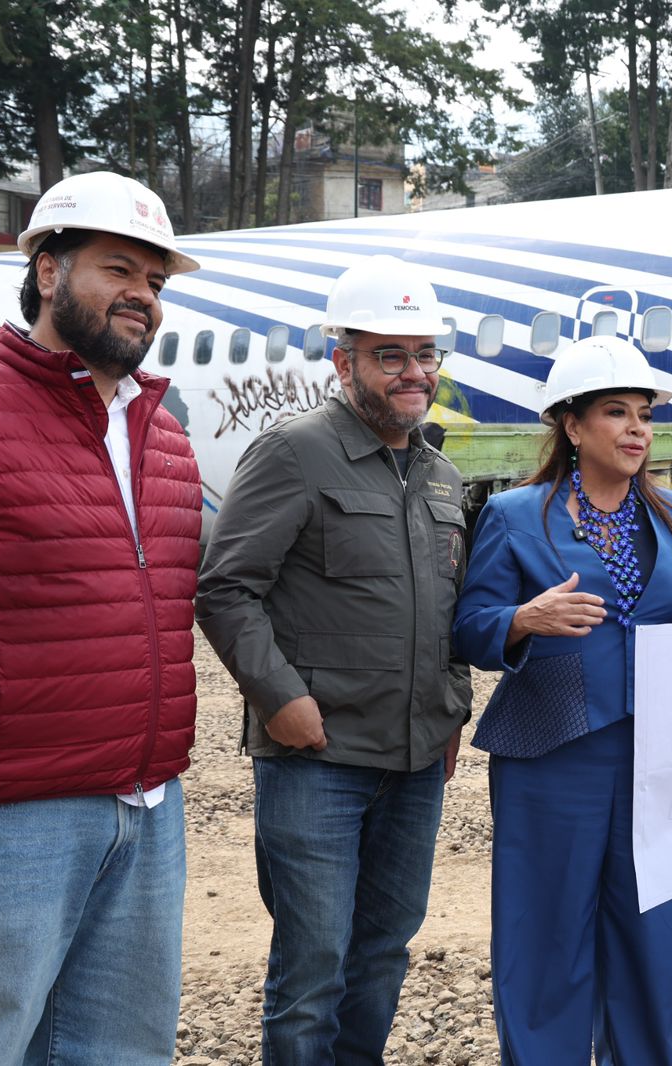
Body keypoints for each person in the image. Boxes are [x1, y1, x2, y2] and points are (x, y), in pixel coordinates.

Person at [0, 171, 202, 1062]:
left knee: (123, 1053)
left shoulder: (161, 434)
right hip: (0, 818)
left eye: (156, 282)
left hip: (145, 804)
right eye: (118, 270)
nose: (142, 296)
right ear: (49, 272)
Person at [195, 256, 473, 1064]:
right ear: (342, 359)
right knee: (312, 966)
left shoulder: (440, 473)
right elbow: (226, 589)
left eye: (425, 354)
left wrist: (449, 703)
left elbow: (449, 605)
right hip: (319, 759)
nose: (413, 371)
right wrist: (280, 699)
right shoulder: (293, 453)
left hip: (417, 761)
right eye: (389, 355)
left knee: (384, 953)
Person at [452, 335, 672, 1063]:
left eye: (645, 414)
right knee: (545, 937)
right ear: (572, 425)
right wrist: (520, 621)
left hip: (656, 758)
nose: (637, 428)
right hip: (552, 755)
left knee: (650, 932)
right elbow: (471, 631)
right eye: (616, 412)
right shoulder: (515, 515)